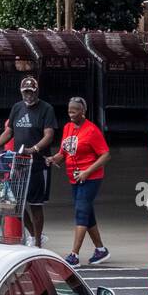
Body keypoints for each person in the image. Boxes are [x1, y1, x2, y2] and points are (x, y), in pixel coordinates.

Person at [0, 76, 57, 247]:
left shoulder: (46, 109)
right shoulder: (17, 108)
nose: (28, 95)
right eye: (25, 92)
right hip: (19, 162)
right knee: (13, 203)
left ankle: (37, 242)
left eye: (31, 91)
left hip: (36, 163)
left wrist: (34, 149)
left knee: (35, 204)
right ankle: (33, 234)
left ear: (36, 91)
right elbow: (8, 132)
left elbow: (49, 134)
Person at [47, 97, 110, 267]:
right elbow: (64, 152)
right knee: (86, 213)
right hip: (74, 178)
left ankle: (74, 254)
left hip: (90, 178)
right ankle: (101, 250)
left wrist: (87, 171)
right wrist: (54, 159)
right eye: (69, 110)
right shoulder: (67, 128)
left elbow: (105, 154)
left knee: (81, 212)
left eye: (75, 111)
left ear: (83, 112)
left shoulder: (91, 130)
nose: (71, 114)